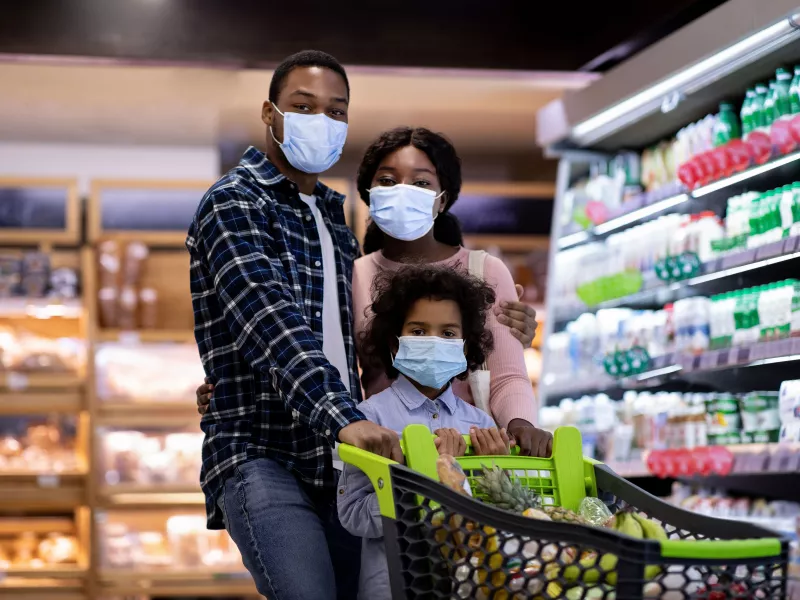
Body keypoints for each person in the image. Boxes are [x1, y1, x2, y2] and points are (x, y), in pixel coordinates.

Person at [186, 50, 403, 600]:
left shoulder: (334, 215)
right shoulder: (233, 203)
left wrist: (496, 321)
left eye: (336, 112)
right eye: (303, 107)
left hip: (342, 462)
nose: (321, 123)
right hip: (263, 453)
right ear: (270, 112)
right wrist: (342, 417)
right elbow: (270, 321)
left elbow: (365, 329)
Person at [353, 127, 551, 457]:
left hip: (471, 449)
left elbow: (507, 374)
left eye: (421, 182)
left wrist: (521, 426)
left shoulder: (485, 270)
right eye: (388, 180)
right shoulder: (353, 275)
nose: (403, 192)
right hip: (386, 454)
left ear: (442, 198)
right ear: (369, 192)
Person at [338, 265, 516, 600]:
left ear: (465, 347)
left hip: (469, 587)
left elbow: (500, 519)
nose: (434, 342)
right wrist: (424, 478)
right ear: (395, 342)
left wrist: (499, 471)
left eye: (448, 334)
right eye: (419, 332)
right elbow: (353, 516)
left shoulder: (481, 425)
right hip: (392, 588)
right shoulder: (369, 419)